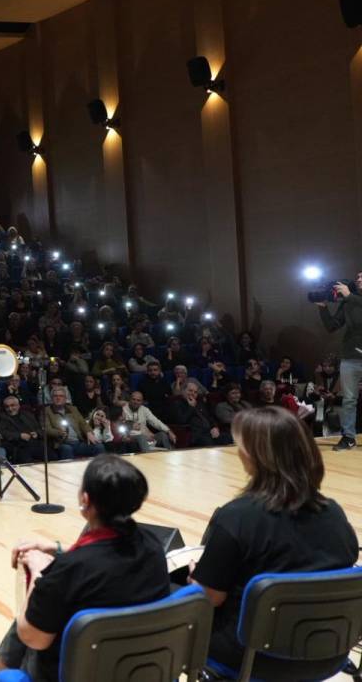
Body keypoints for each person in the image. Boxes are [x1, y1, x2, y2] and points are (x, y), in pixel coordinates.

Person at [0, 454, 171, 682]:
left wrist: (38, 575)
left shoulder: (70, 570)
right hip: (141, 668)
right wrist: (56, 548)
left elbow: (31, 637)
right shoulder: (153, 546)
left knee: (41, 607)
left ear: (85, 500)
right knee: (49, 602)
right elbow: (104, 559)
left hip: (78, 673)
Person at [193, 406, 359, 678]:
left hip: (253, 661)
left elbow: (209, 598)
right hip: (329, 654)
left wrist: (194, 577)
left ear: (255, 457)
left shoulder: (236, 517)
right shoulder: (335, 514)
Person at [317, 272, 362, 450]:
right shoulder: (349, 302)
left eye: (361, 277)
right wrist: (322, 307)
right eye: (357, 277)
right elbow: (332, 326)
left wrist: (350, 296)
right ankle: (349, 437)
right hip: (351, 356)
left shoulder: (351, 299)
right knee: (349, 399)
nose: (357, 279)